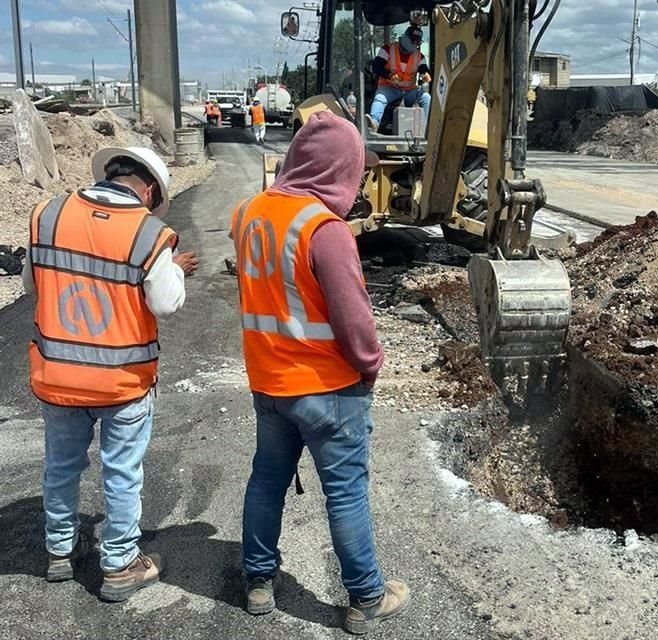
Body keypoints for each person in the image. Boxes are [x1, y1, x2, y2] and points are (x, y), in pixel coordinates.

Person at [231, 111, 409, 634]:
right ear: (339, 168)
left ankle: (259, 583)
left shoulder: (248, 213)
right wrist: (371, 368)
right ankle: (366, 597)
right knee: (346, 492)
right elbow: (355, 321)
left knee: (266, 480)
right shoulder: (324, 229)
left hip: (269, 382)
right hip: (328, 388)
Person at [22, 146, 199, 602]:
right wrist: (173, 271)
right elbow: (165, 303)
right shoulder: (150, 232)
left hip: (58, 375)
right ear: (150, 189)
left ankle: (59, 551)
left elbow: (32, 284)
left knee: (61, 466)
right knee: (121, 471)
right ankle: (119, 564)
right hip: (121, 381)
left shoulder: (47, 215)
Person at [366, 25, 431, 132]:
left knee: (426, 98)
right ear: (405, 38)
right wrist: (389, 75)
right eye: (412, 41)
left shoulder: (419, 56)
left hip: (410, 90)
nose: (414, 44)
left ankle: (427, 129)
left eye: (417, 43)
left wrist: (425, 74)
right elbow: (376, 67)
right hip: (389, 87)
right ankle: (374, 123)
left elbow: (423, 68)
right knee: (380, 98)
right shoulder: (387, 49)